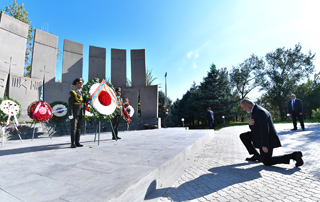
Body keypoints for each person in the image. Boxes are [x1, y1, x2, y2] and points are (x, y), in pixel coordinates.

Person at [239, 99, 304, 167]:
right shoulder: (255, 110)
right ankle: (257, 156)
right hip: (259, 135)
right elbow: (255, 126)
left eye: (244, 107)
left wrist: (265, 145)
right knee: (244, 136)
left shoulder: (259, 111)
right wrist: (250, 124)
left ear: (248, 105)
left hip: (268, 138)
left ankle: (294, 155)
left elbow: (265, 129)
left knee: (267, 161)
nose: (243, 110)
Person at [68, 78, 86, 148]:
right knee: (74, 128)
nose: (81, 84)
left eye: (82, 83)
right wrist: (70, 114)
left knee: (79, 128)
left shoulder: (83, 93)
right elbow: (70, 104)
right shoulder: (73, 92)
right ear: (76, 84)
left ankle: (77, 142)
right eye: (79, 83)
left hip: (82, 112)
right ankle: (72, 143)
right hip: (75, 113)